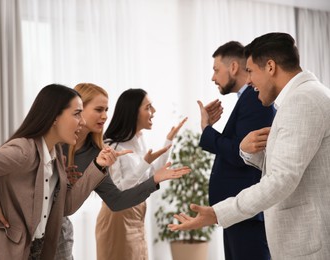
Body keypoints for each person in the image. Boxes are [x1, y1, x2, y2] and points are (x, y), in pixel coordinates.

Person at [168, 32, 330, 260]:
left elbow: (282, 178)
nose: (249, 80)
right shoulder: (303, 97)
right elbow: (286, 163)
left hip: (306, 243)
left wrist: (218, 213)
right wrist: (245, 150)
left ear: (271, 67)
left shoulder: (302, 101)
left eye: (251, 71)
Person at [0, 84, 130, 260]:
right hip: (4, 248)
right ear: (54, 117)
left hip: (36, 248)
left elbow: (66, 207)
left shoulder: (56, 155)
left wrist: (98, 165)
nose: (82, 122)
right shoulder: (23, 152)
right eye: (76, 114)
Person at [55, 83, 190, 259]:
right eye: (99, 109)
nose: (104, 116)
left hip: (132, 212)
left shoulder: (101, 151)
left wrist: (156, 174)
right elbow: (122, 187)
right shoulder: (108, 146)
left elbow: (122, 195)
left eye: (106, 110)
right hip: (117, 219)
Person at [197, 41, 274, 260]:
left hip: (248, 213)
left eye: (215, 70)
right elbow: (241, 147)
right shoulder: (247, 98)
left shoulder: (254, 97)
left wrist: (206, 130)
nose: (213, 77)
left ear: (233, 67)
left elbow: (247, 155)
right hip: (237, 212)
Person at [95, 88, 187, 260]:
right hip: (117, 217)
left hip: (137, 213)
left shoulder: (139, 140)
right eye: (148, 107)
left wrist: (169, 141)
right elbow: (119, 191)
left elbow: (151, 175)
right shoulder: (112, 147)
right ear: (133, 112)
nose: (154, 112)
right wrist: (144, 163)